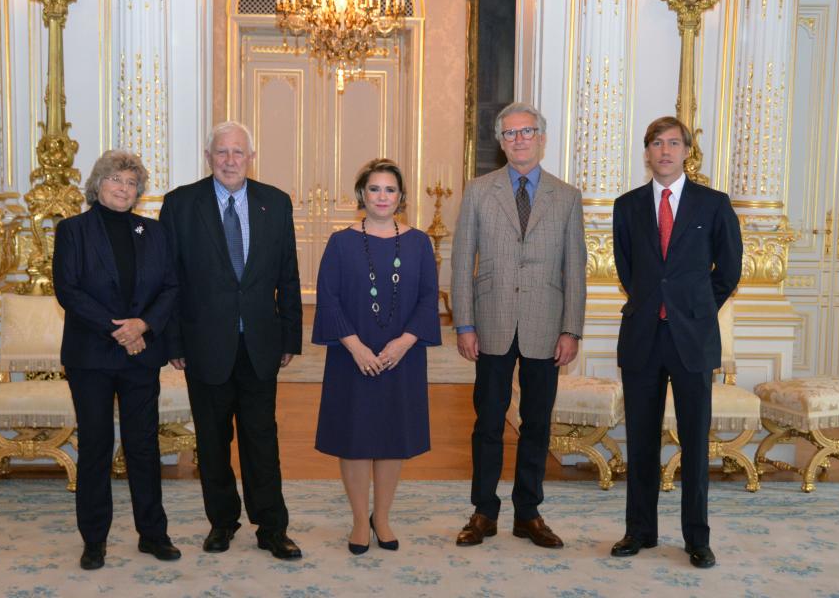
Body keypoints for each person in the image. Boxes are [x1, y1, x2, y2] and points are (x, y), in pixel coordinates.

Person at [159, 121, 303, 560]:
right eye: (221, 152)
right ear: (209, 157)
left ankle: (272, 527)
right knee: (212, 441)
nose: (230, 160)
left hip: (260, 344)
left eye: (238, 152)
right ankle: (222, 522)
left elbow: (288, 275)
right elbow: (169, 279)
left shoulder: (275, 203)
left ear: (251, 158)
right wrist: (173, 342)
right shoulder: (181, 204)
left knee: (262, 440)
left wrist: (290, 335)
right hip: (204, 345)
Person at [450, 102, 587, 549]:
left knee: (537, 424)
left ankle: (528, 513)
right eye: (510, 133)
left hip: (546, 326)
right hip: (490, 322)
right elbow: (461, 260)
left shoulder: (566, 196)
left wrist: (571, 329)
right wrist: (464, 323)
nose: (519, 139)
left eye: (527, 132)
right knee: (488, 422)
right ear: (501, 142)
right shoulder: (478, 191)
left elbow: (576, 269)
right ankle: (484, 511)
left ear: (541, 139)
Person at [609, 116, 742, 569]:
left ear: (686, 151)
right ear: (646, 152)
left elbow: (729, 270)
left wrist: (695, 306)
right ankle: (639, 531)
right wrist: (656, 302)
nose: (664, 151)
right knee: (641, 441)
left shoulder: (713, 204)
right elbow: (628, 270)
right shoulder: (627, 206)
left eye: (672, 143)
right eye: (656, 143)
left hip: (692, 339)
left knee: (695, 443)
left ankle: (697, 539)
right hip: (643, 337)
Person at [52, 149, 181, 570]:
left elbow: (171, 287)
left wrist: (143, 326)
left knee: (144, 446)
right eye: (115, 180)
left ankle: (153, 534)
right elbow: (68, 291)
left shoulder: (154, 232)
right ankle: (94, 540)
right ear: (98, 184)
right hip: (91, 357)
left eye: (131, 183)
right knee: (96, 447)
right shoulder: (73, 230)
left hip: (140, 355)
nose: (123, 189)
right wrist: (120, 331)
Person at [312, 158, 442, 555]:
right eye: (374, 189)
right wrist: (355, 347)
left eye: (390, 189)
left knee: (391, 438)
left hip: (402, 357)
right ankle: (358, 520)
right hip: (352, 356)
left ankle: (381, 517)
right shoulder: (340, 243)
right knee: (354, 438)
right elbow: (328, 299)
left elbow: (428, 298)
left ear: (401, 197)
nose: (382, 196)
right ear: (361, 194)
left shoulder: (419, 243)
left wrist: (404, 343)